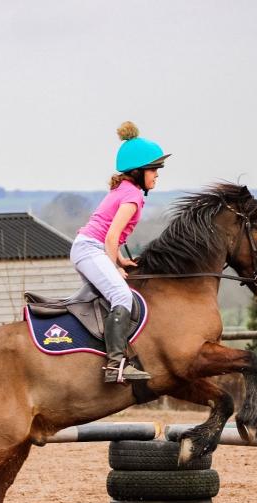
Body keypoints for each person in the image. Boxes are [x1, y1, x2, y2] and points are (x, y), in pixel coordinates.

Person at [70, 121, 170, 383]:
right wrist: (114, 266)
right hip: (91, 249)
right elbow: (112, 236)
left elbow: (111, 238)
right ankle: (115, 365)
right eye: (154, 170)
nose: (157, 175)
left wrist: (121, 259)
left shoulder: (126, 189)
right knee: (121, 296)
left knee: (107, 298)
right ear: (138, 172)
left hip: (89, 248)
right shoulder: (132, 196)